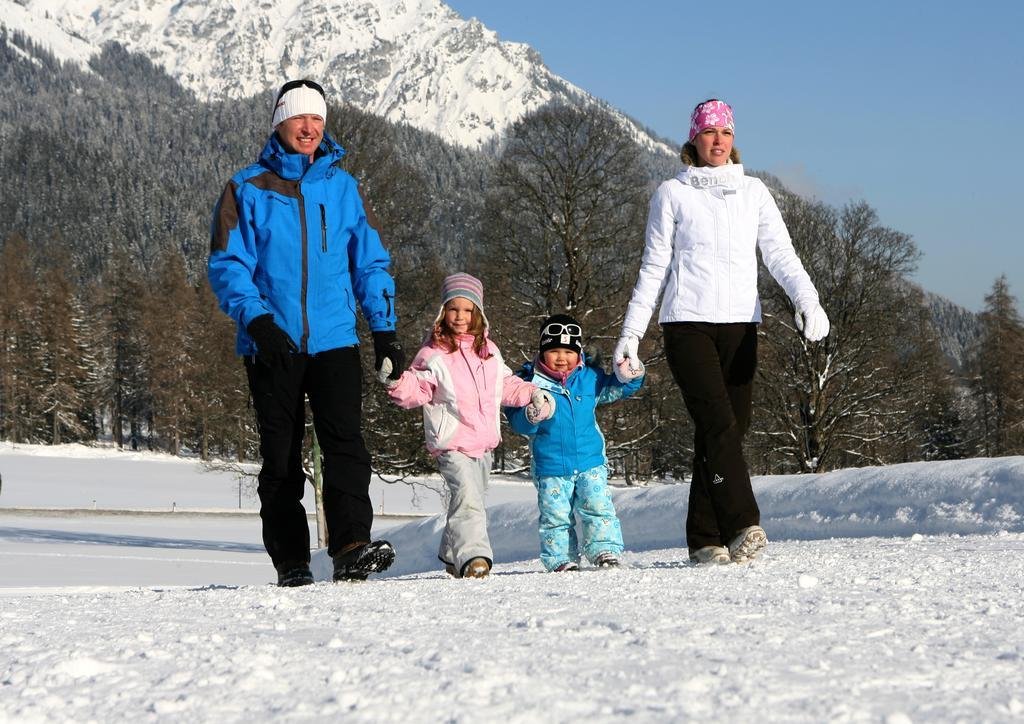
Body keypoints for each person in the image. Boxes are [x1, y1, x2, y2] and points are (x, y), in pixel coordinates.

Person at [614, 98, 830, 565]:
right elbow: (654, 267)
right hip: (686, 323)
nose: (718, 140)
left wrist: (807, 300)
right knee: (719, 425)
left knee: (726, 432)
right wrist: (631, 333)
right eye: (709, 132)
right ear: (693, 139)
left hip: (740, 325)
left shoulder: (754, 192)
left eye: (726, 132)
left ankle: (703, 537)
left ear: (734, 140)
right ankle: (742, 524)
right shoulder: (672, 194)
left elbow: (780, 254)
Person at [208, 79, 406, 586]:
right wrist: (257, 320)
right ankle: (292, 562)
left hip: (335, 339)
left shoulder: (343, 188)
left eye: (317, 118)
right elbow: (227, 264)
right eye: (299, 117)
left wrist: (384, 330)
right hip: (270, 342)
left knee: (346, 447)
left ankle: (351, 547)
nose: (309, 127)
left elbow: (370, 263)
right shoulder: (246, 188)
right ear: (280, 122)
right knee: (281, 457)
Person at [384, 273, 554, 579]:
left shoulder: (489, 352)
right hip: (451, 442)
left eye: (467, 310)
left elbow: (505, 385)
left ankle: (451, 553)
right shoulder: (433, 354)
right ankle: (474, 556)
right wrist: (395, 381)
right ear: (443, 311)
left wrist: (532, 393)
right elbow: (417, 388)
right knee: (468, 498)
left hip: (484, 443)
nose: (460, 316)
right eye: (453, 309)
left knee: (467, 499)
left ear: (478, 313)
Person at [507, 314, 645, 572]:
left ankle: (604, 549)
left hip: (590, 461)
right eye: (554, 351)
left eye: (569, 352)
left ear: (578, 352)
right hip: (551, 466)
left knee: (598, 507)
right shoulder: (529, 383)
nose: (562, 358)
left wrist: (631, 374)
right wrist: (531, 415)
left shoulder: (589, 377)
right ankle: (561, 558)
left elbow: (617, 388)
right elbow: (516, 421)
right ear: (542, 351)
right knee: (555, 516)